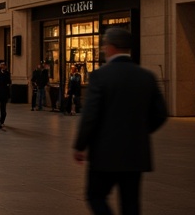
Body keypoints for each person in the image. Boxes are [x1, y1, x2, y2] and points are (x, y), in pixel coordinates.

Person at [71, 27, 167, 215]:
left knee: (95, 196)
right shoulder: (146, 77)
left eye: (105, 46)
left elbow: (90, 115)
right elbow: (160, 114)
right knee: (130, 203)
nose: (104, 50)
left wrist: (80, 145)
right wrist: (140, 130)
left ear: (112, 47)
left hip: (105, 152)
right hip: (135, 152)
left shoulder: (100, 76)